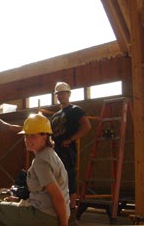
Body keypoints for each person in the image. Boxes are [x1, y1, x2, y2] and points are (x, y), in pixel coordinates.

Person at [0, 112, 70, 226]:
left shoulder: (41, 162)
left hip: (45, 216)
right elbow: (43, 195)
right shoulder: (50, 154)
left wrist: (64, 224)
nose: (27, 139)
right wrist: (20, 201)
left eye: (33, 136)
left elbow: (57, 196)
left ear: (44, 137)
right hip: (48, 213)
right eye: (26, 135)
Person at [50, 82, 91, 226]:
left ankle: (72, 215)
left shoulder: (75, 110)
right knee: (55, 181)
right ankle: (58, 211)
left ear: (69, 94)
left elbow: (86, 126)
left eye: (63, 93)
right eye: (58, 94)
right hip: (54, 153)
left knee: (70, 182)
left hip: (67, 152)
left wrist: (71, 139)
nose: (61, 96)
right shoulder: (55, 116)